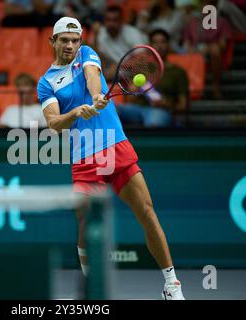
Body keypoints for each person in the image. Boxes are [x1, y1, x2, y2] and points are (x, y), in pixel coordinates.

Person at [37, 17, 185, 300]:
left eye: (75, 39)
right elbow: (54, 122)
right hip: (85, 158)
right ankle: (92, 289)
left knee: (147, 211)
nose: (70, 45)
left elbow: (93, 77)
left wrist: (95, 96)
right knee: (85, 226)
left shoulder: (87, 54)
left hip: (116, 146)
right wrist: (76, 112)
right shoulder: (46, 82)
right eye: (64, 40)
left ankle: (172, 284)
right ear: (52, 41)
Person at [118, 29, 189, 127]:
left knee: (154, 123)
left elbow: (183, 106)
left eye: (163, 42)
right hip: (137, 109)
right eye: (155, 42)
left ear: (169, 45)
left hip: (161, 111)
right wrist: (133, 93)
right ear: (150, 47)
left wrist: (165, 104)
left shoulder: (178, 72)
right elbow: (130, 100)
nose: (160, 46)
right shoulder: (141, 68)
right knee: (111, 111)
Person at [183, 0, 232, 99]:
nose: (206, 6)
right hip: (195, 51)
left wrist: (208, 48)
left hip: (212, 51)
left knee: (215, 50)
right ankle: (191, 90)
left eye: (209, 4)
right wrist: (191, 49)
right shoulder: (192, 22)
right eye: (204, 4)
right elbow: (186, 43)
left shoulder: (222, 22)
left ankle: (215, 87)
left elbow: (222, 45)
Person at [95, 5, 148, 81]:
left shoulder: (133, 33)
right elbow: (100, 58)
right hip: (113, 79)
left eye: (115, 20)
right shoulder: (101, 34)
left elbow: (142, 57)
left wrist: (119, 66)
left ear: (121, 21)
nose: (111, 24)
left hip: (135, 77)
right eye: (108, 20)